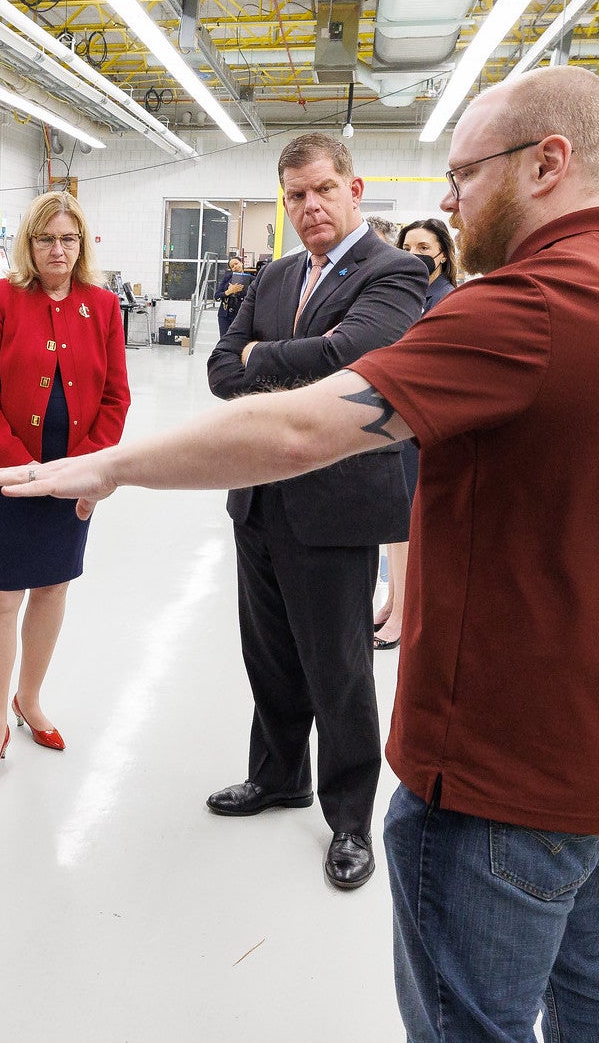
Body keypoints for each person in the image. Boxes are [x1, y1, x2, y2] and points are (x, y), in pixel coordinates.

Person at [0, 65, 599, 1042]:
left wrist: (115, 465)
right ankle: (278, 773)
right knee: (594, 976)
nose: (445, 197)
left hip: (500, 779)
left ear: (546, 163)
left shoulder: (528, 308)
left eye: (464, 173)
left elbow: (302, 427)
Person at [203, 132, 428, 891]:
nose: (310, 207)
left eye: (324, 190)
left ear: (354, 189)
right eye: (295, 194)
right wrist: (288, 351)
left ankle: (350, 818)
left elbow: (363, 352)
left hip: (336, 505)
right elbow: (219, 369)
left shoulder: (394, 271)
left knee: (339, 667)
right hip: (259, 497)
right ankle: (278, 776)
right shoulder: (275, 274)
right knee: (267, 655)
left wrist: (267, 356)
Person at [0, 191, 130, 789]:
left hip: (74, 475)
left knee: (53, 587)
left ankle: (28, 699)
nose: (58, 250)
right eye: (46, 239)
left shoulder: (103, 306)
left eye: (68, 239)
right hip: (4, 474)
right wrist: (24, 471)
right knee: (0, 598)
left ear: (81, 246)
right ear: (29, 245)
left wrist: (84, 471)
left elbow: (116, 399)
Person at [374, 217, 462, 650]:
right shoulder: (410, 294)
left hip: (418, 423)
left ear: (443, 254)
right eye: (407, 246)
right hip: (398, 420)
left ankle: (404, 617)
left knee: (406, 522)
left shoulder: (445, 300)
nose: (415, 255)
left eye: (424, 247)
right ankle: (393, 602)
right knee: (395, 520)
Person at [216, 253, 249, 335]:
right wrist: (229, 292)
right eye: (232, 266)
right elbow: (217, 295)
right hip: (225, 314)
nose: (235, 267)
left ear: (241, 263)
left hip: (241, 314)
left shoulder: (250, 278)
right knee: (224, 338)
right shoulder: (227, 278)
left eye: (236, 263)